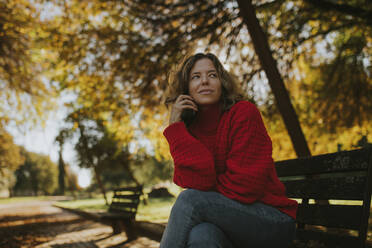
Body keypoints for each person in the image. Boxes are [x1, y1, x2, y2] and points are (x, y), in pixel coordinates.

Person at [161, 52, 297, 248]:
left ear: (222, 82)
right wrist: (176, 128)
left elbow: (245, 186)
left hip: (272, 220)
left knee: (190, 200)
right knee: (202, 236)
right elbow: (192, 181)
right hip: (232, 223)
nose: (205, 81)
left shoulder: (243, 113)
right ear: (186, 88)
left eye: (212, 75)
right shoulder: (188, 129)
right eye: (196, 77)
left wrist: (206, 193)